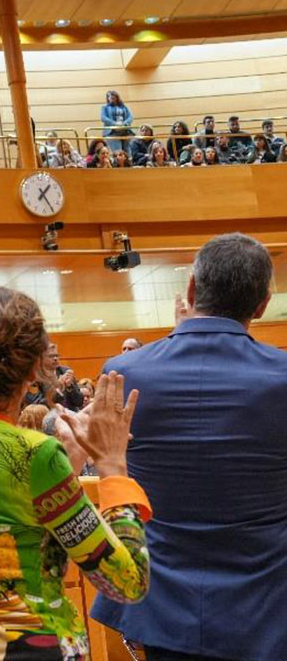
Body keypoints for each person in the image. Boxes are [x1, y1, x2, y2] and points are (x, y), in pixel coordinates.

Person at [0, 286, 150, 659]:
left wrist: (66, 460)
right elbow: (126, 582)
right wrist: (113, 465)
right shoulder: (35, 454)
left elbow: (18, 526)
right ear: (33, 362)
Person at [92, 233, 287, 660]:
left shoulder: (124, 372)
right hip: (265, 603)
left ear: (192, 289)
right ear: (262, 304)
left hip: (160, 603)